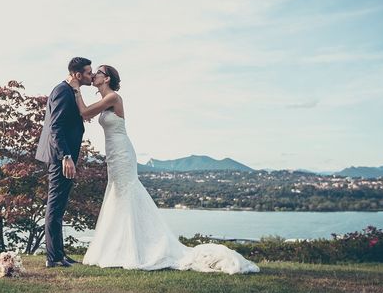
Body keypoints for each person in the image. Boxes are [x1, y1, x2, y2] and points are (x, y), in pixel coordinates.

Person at [69, 65, 260, 274]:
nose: (94, 75)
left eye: (98, 72)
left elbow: (85, 112)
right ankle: (116, 248)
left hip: (123, 153)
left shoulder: (114, 98)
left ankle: (131, 249)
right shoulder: (106, 101)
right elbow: (87, 113)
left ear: (106, 79)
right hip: (113, 154)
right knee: (117, 195)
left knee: (125, 194)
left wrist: (76, 88)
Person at [35, 57, 94, 268]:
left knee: (59, 207)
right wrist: (66, 157)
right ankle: (53, 258)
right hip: (60, 158)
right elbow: (56, 127)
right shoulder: (62, 91)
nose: (91, 75)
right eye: (88, 72)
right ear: (78, 75)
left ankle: (59, 254)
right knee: (54, 206)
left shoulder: (70, 91)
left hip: (63, 156)